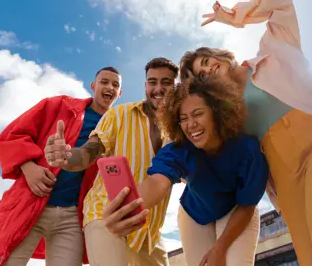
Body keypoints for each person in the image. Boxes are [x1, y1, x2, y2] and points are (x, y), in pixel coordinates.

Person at [178, 0, 312, 266]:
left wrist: (234, 17)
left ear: (220, 56)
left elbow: (282, 4)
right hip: (282, 173)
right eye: (202, 75)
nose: (209, 70)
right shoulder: (226, 115)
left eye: (207, 62)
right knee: (310, 253)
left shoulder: (271, 54)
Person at [108, 77, 268, 266]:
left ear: (217, 112)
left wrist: (220, 247)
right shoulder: (179, 150)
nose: (190, 124)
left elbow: (247, 205)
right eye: (183, 119)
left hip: (237, 211)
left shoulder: (248, 150)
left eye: (198, 114)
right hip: (194, 215)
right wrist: (130, 209)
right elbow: (158, 181)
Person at [44, 57, 178, 266]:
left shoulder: (180, 130)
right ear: (145, 85)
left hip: (150, 232)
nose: (158, 88)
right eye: (152, 82)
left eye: (166, 82)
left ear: (176, 87)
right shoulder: (119, 114)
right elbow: (89, 152)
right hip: (105, 214)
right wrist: (67, 158)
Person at [0, 66, 122, 266]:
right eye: (104, 82)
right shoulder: (58, 106)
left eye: (115, 85)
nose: (109, 87)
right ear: (93, 86)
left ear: (120, 93)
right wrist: (29, 167)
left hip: (73, 217)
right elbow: (12, 136)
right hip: (32, 202)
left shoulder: (116, 127)